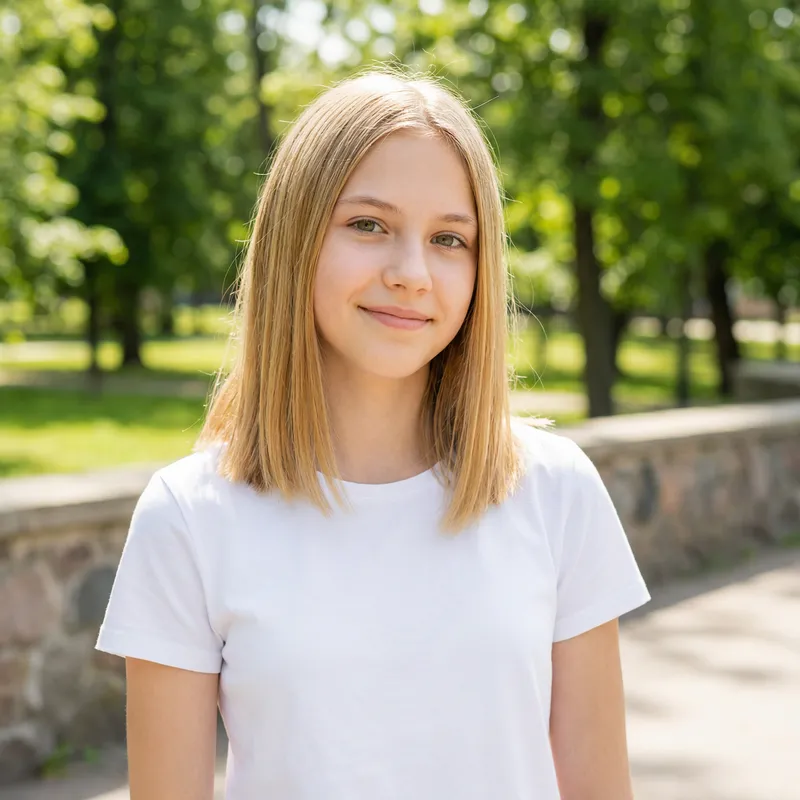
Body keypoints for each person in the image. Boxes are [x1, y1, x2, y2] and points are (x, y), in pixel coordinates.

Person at [96, 68, 650, 800]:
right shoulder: (189, 518)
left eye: (449, 238)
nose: (412, 273)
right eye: (369, 225)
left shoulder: (555, 492)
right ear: (294, 239)